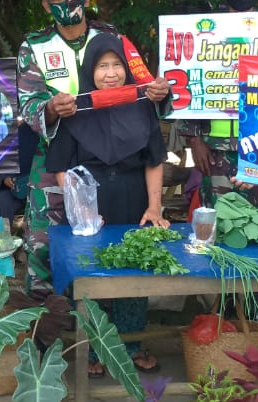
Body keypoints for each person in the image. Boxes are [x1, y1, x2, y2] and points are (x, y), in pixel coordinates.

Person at [16, 0, 170, 313]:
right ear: (46, 5)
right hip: (56, 154)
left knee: (112, 242)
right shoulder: (35, 46)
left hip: (117, 151)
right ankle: (49, 325)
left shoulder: (112, 36)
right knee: (43, 243)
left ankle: (106, 329)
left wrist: (159, 93)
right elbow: (28, 106)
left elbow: (142, 84)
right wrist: (51, 109)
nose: (67, 4)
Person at [45, 34, 169, 375]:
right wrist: (80, 209)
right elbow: (59, 167)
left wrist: (154, 208)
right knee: (92, 277)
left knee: (134, 274)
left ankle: (130, 345)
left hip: (134, 203)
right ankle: (95, 351)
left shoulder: (142, 106)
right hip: (90, 210)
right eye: (103, 66)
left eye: (118, 65)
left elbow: (154, 160)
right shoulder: (75, 109)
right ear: (90, 70)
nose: (111, 73)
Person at [180, 0, 258, 207]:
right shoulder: (204, 30)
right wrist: (194, 139)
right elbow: (191, 80)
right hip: (214, 148)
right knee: (216, 222)